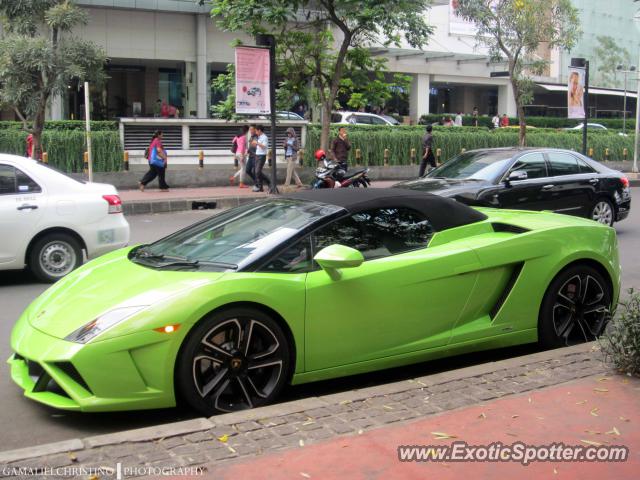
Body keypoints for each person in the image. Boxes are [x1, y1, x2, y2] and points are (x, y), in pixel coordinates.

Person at [251, 125, 271, 192]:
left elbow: (264, 147)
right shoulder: (259, 137)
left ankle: (266, 184)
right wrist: (255, 144)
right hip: (257, 155)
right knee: (255, 171)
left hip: (262, 156)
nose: (255, 132)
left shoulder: (265, 137)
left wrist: (257, 143)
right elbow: (258, 146)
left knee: (257, 171)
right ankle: (261, 187)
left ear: (259, 130)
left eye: (256, 130)